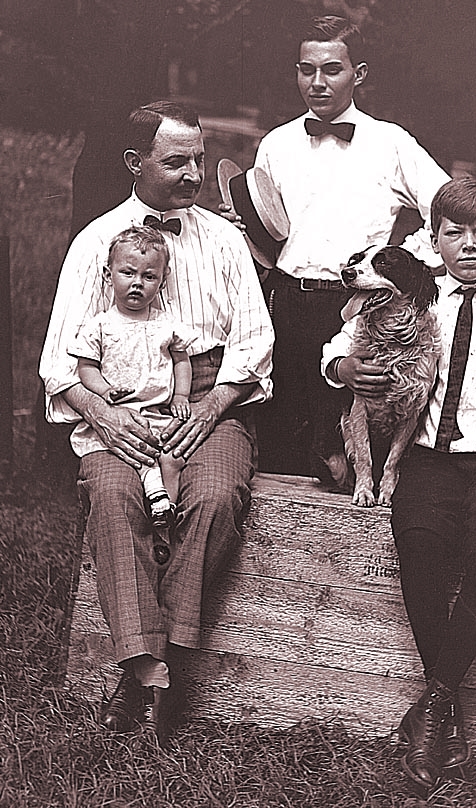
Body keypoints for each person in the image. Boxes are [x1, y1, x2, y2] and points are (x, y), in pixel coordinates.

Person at [321, 178, 476, 789]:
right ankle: (450, 710)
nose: (468, 245)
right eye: (454, 232)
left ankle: (434, 707)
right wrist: (342, 366)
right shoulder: (412, 294)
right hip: (430, 460)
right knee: (419, 546)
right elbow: (340, 342)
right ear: (433, 240)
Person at [39, 100, 274, 737]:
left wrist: (210, 407)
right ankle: (146, 672)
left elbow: (255, 342)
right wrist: (105, 417)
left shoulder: (225, 239)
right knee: (114, 496)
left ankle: (160, 658)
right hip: (113, 401)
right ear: (133, 163)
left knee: (217, 495)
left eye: (198, 158)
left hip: (206, 395)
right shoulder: (96, 242)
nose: (195, 173)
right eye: (177, 162)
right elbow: (59, 359)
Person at [221, 15, 450, 484]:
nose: (317, 82)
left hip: (360, 312)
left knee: (347, 448)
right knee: (281, 437)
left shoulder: (390, 143)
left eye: (332, 69)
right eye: (307, 69)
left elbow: (448, 211)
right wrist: (242, 232)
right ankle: (275, 554)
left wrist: (405, 267)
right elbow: (267, 233)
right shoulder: (276, 143)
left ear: (358, 74)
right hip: (284, 303)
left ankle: (358, 554)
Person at [69, 226, 193, 556]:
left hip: (156, 413)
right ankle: (156, 504)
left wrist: (181, 395)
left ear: (162, 281)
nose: (137, 283)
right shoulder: (100, 325)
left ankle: (165, 519)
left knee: (171, 456)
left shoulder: (166, 324)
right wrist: (105, 391)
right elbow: (86, 368)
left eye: (148, 276)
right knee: (134, 459)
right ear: (109, 275)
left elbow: (181, 360)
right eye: (127, 273)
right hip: (120, 415)